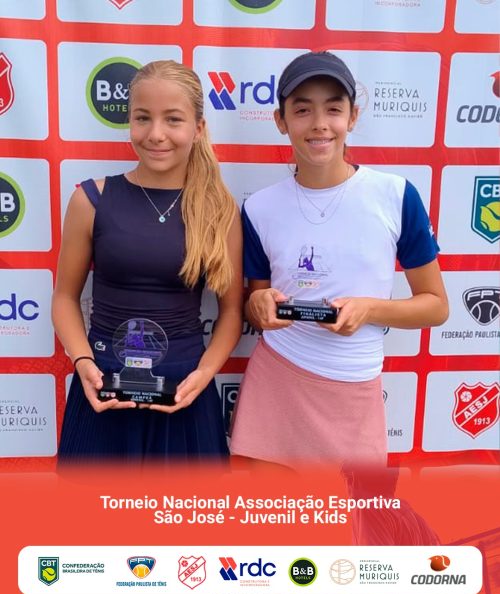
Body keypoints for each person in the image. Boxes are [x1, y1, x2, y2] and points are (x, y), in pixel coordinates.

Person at [229, 51, 448, 468]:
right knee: (263, 511)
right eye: (302, 110)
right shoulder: (258, 208)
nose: (319, 124)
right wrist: (258, 305)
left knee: (350, 511)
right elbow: (257, 303)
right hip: (276, 383)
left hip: (354, 388)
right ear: (280, 121)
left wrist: (368, 309)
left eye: (333, 108)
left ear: (353, 116)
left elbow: (436, 306)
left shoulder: (395, 195)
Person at [53, 60, 242, 462]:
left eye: (173, 119)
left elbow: (231, 312)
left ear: (198, 128)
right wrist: (83, 361)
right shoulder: (91, 200)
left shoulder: (217, 210)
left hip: (185, 394)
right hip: (103, 389)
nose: (156, 134)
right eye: (143, 118)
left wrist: (203, 375)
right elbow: (65, 298)